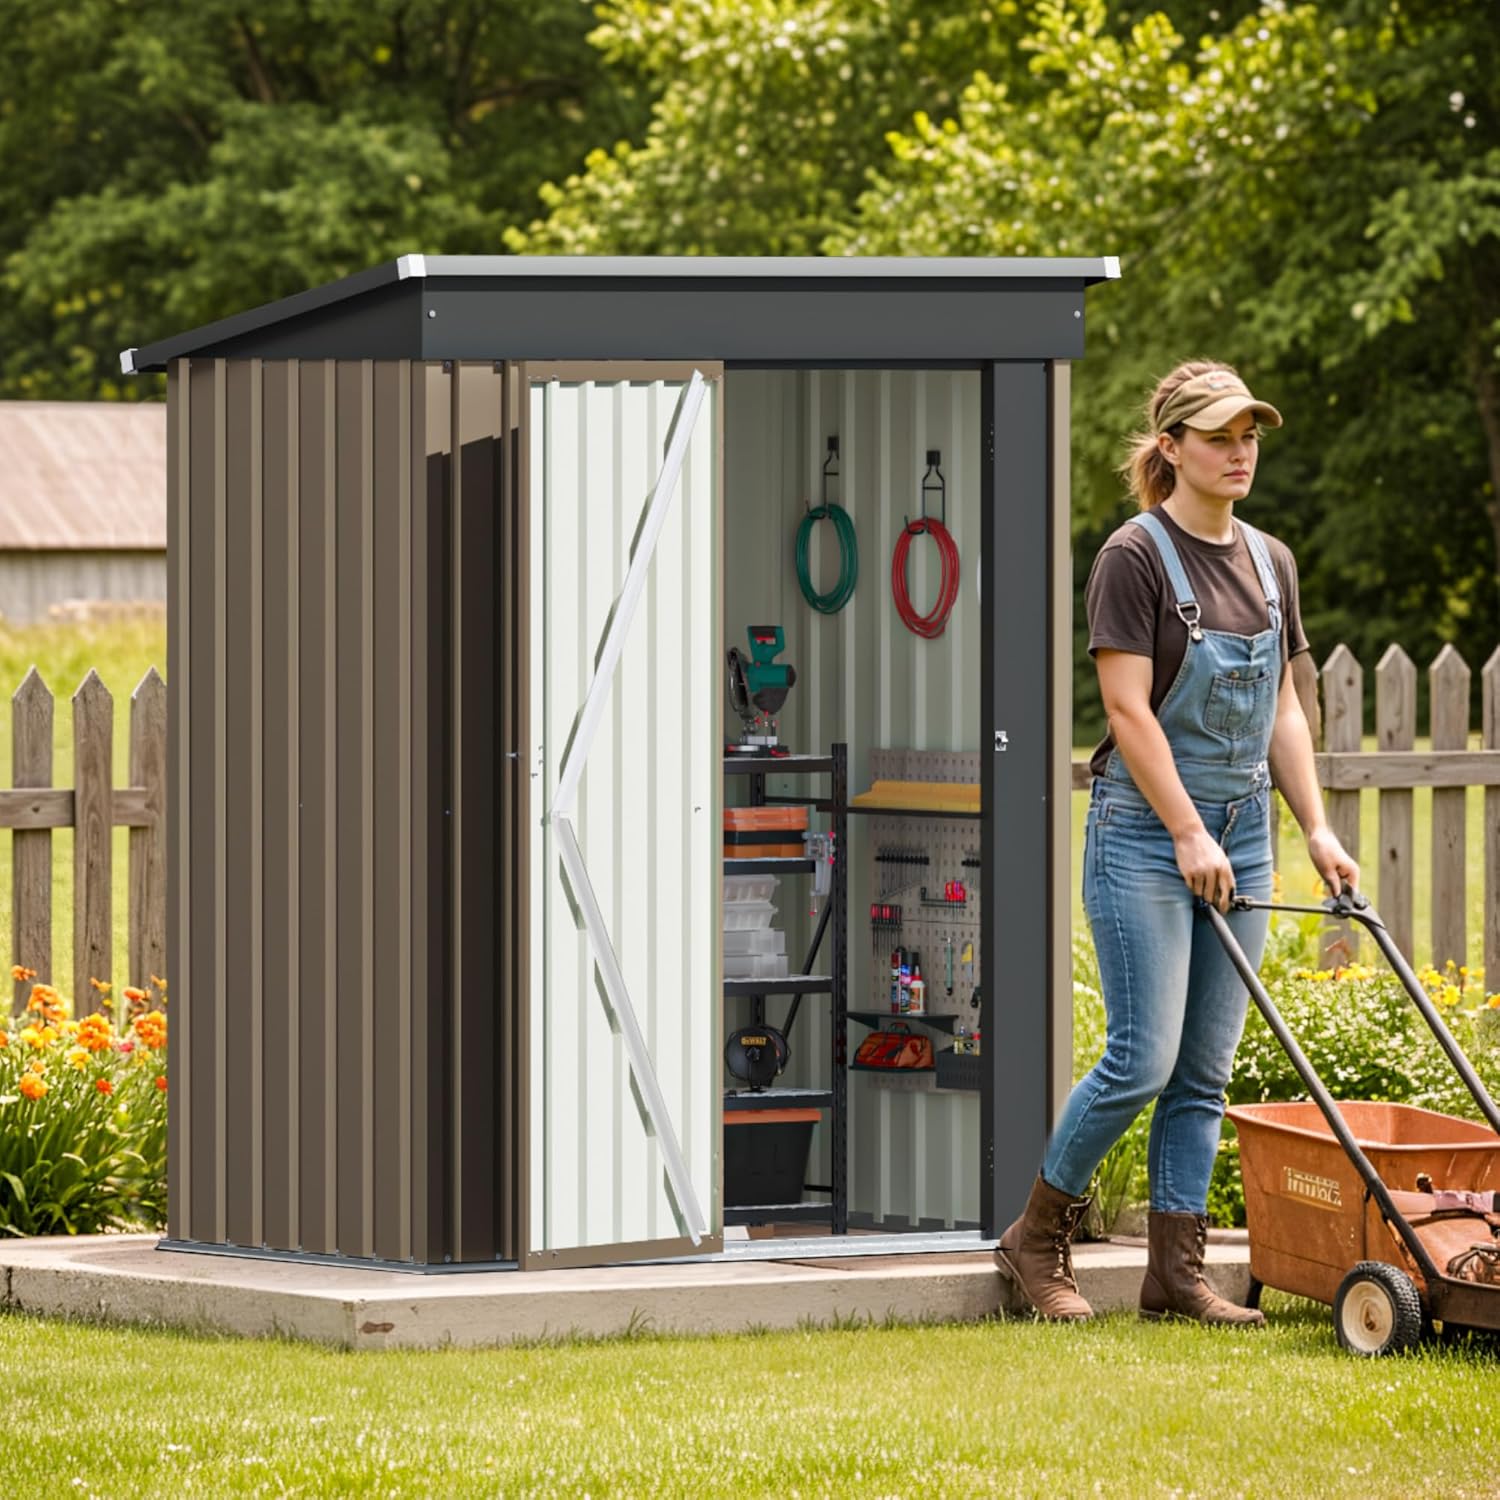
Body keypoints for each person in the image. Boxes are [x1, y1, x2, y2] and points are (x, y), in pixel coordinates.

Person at [993, 360, 1359, 1325]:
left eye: (1250, 437)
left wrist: (1316, 828)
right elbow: (1127, 708)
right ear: (1171, 447)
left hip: (1242, 837)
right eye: (1218, 437)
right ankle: (1034, 1241)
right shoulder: (1136, 556)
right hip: (1145, 838)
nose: (1240, 453)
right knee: (1141, 1059)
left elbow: (1284, 707)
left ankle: (1176, 1273)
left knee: (1204, 1069)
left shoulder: (1271, 561)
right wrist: (1187, 829)